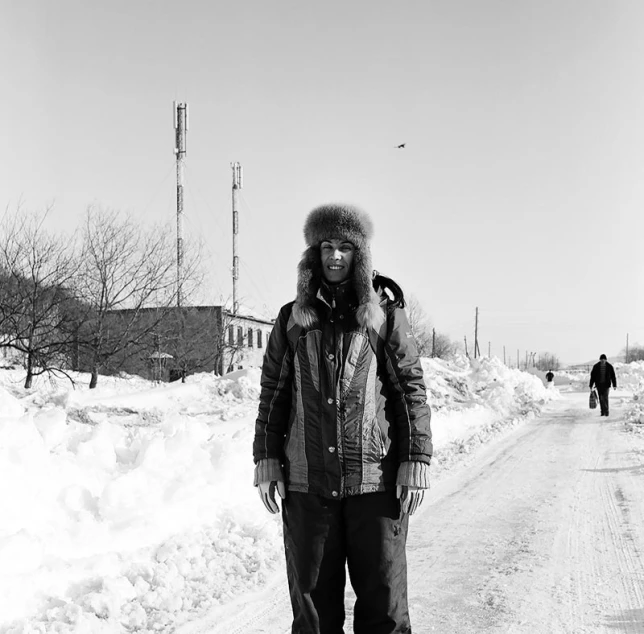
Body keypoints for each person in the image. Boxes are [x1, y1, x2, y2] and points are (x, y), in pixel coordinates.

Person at [252, 203, 433, 634]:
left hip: (375, 484)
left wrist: (416, 457)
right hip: (308, 488)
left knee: (384, 611)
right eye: (326, 246)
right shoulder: (292, 320)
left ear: (361, 255)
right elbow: (273, 395)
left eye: (345, 248)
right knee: (314, 618)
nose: (334, 256)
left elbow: (410, 389)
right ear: (313, 254)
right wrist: (266, 457)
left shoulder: (383, 316)